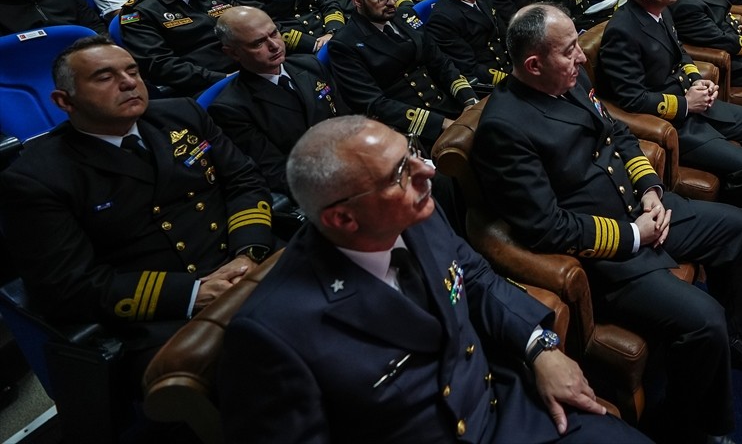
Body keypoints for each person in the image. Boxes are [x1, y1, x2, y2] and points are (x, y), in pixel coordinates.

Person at [219, 115, 646, 444]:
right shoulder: (272, 333)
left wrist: (540, 347)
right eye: (399, 174)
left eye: (413, 154)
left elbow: (475, 278)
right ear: (343, 217)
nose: (427, 171)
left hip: (506, 409)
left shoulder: (417, 216)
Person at [475, 4, 742, 444]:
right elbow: (545, 228)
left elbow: (616, 135)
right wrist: (635, 234)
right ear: (533, 64)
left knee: (736, 226)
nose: (582, 58)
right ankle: (691, 427)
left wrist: (651, 190)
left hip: (641, 206)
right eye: (569, 52)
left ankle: (732, 340)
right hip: (606, 251)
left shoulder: (571, 79)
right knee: (703, 318)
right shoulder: (505, 127)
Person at [0, 36, 274, 393]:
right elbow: (68, 285)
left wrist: (248, 254)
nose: (129, 82)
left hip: (247, 263)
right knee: (264, 372)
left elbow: (244, 181)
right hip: (162, 316)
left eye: (132, 70)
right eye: (104, 77)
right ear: (64, 101)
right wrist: (194, 292)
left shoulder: (182, 113)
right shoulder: (36, 177)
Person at [597, 0, 742, 251]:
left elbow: (680, 53)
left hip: (691, 99)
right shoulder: (623, 29)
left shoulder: (661, 10)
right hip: (671, 119)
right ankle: (739, 233)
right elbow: (630, 97)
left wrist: (697, 79)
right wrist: (685, 104)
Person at [327, 0, 477, 151]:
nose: (391, 2)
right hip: (409, 130)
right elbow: (375, 105)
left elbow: (440, 63)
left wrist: (469, 100)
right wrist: (441, 124)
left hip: (448, 105)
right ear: (357, 0)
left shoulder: (405, 16)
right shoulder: (344, 44)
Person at [210, 7, 338, 193]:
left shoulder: (310, 65)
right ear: (233, 53)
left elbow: (347, 115)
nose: (275, 45)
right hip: (317, 182)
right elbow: (274, 170)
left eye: (274, 33)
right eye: (258, 43)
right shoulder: (231, 108)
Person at [119, 0, 237, 96]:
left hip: (247, 67)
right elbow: (161, 65)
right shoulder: (138, 12)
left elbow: (251, 26)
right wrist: (222, 78)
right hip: (205, 86)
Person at [424, 0, 511, 92]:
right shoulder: (442, 19)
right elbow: (469, 67)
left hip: (508, 65)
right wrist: (511, 79)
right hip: (489, 83)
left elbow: (504, 35)